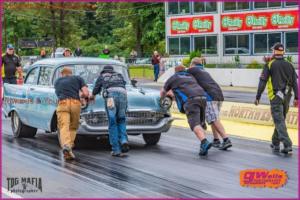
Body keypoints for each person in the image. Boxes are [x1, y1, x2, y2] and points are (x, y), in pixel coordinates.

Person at [255, 43, 298, 154]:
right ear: (283, 52)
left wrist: (258, 96)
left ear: (274, 52)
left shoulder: (270, 64)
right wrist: (297, 97)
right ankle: (275, 142)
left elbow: (262, 82)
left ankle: (287, 144)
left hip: (275, 97)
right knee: (280, 120)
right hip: (287, 96)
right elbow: (295, 83)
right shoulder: (290, 65)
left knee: (279, 121)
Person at [161, 65, 212, 156]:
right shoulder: (190, 76)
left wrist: (161, 100)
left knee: (194, 124)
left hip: (191, 100)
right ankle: (203, 145)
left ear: (175, 72)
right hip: (203, 97)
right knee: (200, 124)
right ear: (185, 70)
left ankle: (204, 142)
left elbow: (163, 91)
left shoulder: (173, 78)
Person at [188, 57, 232, 150]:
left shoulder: (193, 69)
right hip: (219, 95)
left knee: (213, 119)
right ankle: (216, 140)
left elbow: (181, 73)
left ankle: (226, 139)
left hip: (210, 97)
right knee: (213, 118)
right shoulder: (203, 70)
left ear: (192, 64)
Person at [90, 65, 129, 157]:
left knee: (112, 122)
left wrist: (92, 97)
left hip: (110, 97)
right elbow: (124, 85)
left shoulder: (102, 76)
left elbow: (95, 90)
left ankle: (116, 150)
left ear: (103, 71)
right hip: (123, 95)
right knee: (121, 119)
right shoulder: (119, 75)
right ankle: (124, 140)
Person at [54, 67, 89, 160]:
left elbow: (58, 94)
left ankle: (66, 146)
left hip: (62, 104)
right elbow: (86, 93)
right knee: (73, 127)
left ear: (62, 74)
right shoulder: (78, 78)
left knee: (63, 126)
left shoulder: (57, 81)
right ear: (71, 73)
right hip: (75, 104)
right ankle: (68, 147)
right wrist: (81, 96)